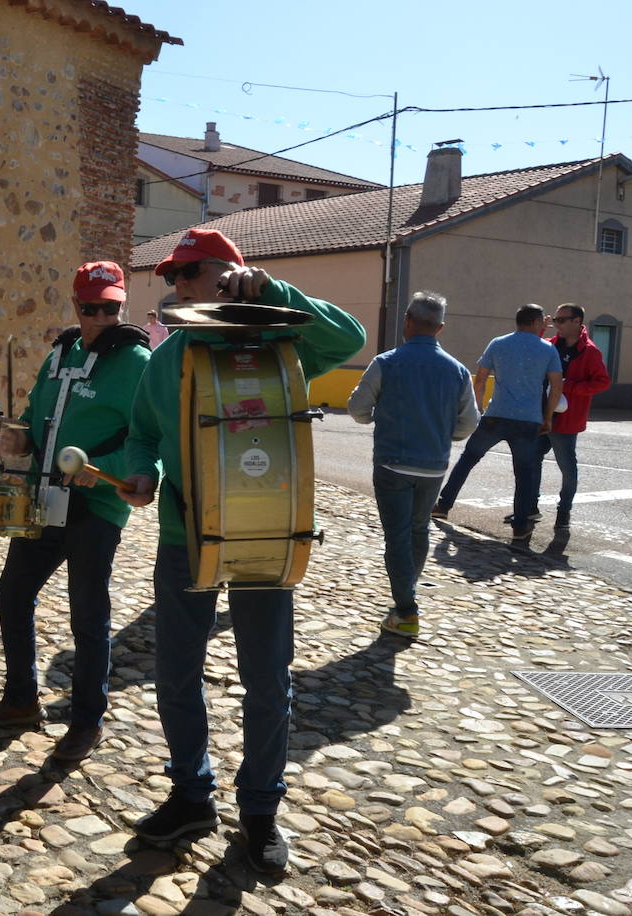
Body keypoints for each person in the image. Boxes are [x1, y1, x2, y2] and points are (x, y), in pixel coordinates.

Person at [120, 228, 366, 873]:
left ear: (230, 271)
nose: (177, 285)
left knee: (266, 681)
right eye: (172, 276)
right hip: (184, 537)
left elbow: (349, 340)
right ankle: (190, 796)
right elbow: (140, 433)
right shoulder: (171, 354)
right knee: (175, 675)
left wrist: (277, 291)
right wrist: (140, 470)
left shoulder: (281, 339)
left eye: (190, 272)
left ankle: (260, 811)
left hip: (263, 533)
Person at [0, 261, 151, 762]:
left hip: (97, 506)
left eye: (112, 308)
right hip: (43, 499)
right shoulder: (59, 353)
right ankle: (21, 699)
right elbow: (34, 423)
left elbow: (151, 438)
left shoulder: (137, 361)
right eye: (91, 308)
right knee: (12, 597)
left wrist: (106, 467)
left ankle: (87, 720)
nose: (102, 318)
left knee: (87, 616)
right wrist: (14, 439)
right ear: (75, 305)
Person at [347, 291, 479, 639]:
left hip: (393, 463)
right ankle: (406, 596)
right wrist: (443, 435)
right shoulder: (458, 371)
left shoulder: (386, 362)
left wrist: (377, 416)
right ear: (440, 327)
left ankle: (406, 609)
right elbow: (469, 423)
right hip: (433, 466)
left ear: (407, 320)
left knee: (397, 536)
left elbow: (357, 409)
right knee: (419, 530)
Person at [431, 304, 563, 539]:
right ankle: (520, 526)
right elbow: (556, 388)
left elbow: (480, 379)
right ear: (535, 323)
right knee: (524, 473)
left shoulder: (498, 343)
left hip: (496, 415)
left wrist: (478, 407)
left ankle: (443, 505)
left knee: (468, 459)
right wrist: (548, 417)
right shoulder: (547, 350)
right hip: (528, 420)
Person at [534, 303, 609, 532]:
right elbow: (532, 355)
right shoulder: (550, 344)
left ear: (577, 321)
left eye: (561, 320)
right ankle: (529, 507)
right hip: (541, 414)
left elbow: (602, 382)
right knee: (530, 460)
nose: (556, 324)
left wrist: (569, 387)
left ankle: (564, 511)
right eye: (555, 320)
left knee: (567, 468)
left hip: (566, 421)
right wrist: (539, 333)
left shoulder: (590, 351)